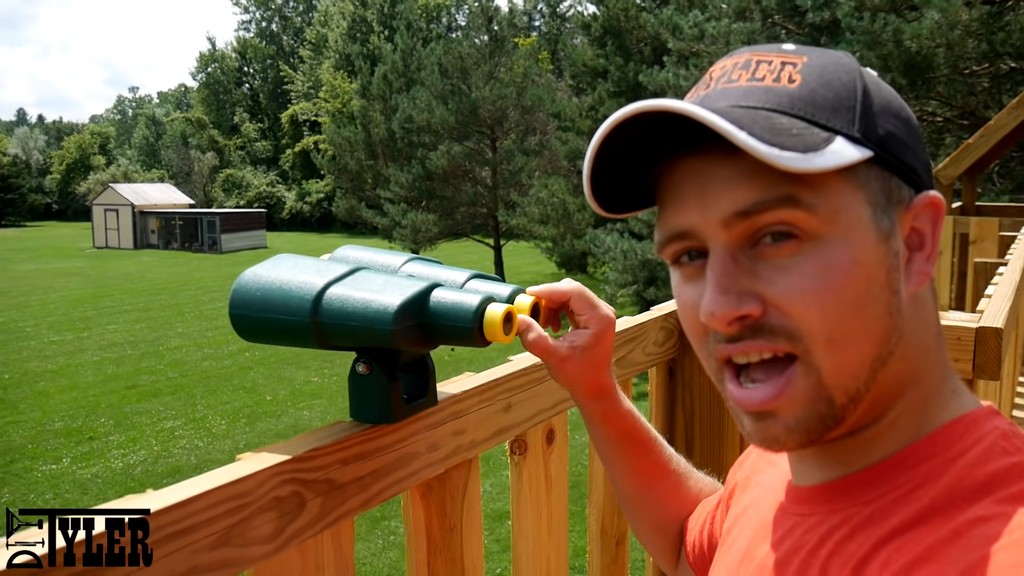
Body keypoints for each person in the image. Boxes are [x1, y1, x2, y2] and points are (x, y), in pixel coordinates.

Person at [515, 43, 1024, 574]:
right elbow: (692, 545)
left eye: (776, 236)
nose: (717, 307)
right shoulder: (788, 457)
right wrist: (596, 389)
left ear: (914, 244)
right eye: (690, 254)